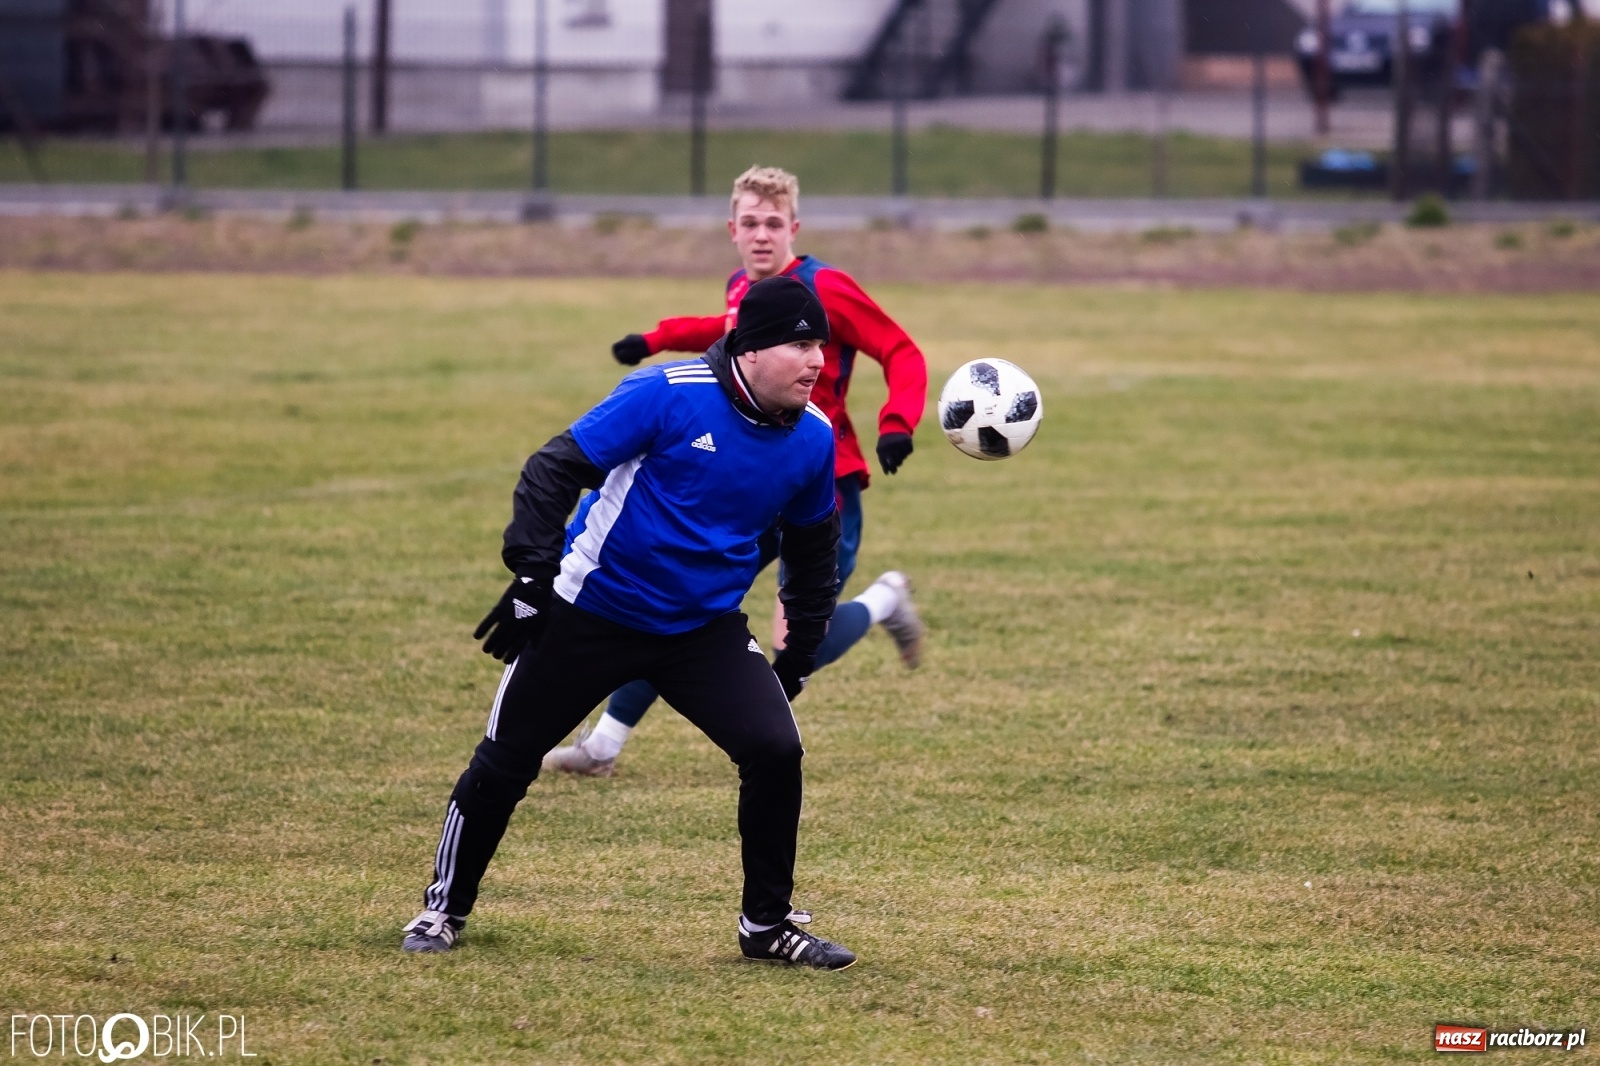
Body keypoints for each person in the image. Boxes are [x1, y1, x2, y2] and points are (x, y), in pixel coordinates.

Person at [401, 276, 857, 970]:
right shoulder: (667, 393)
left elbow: (812, 549)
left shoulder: (814, 438)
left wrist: (800, 649)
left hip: (702, 628)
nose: (817, 360)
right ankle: (442, 909)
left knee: (776, 750)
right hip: (593, 609)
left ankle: (765, 928)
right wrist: (531, 577)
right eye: (800, 344)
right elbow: (552, 468)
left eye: (820, 345)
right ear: (752, 349)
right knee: (504, 761)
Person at [542, 165, 929, 778]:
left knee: (794, 638)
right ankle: (602, 749)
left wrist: (897, 421)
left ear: (793, 228)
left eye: (773, 224)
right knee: (679, 602)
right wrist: (653, 338)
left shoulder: (825, 287)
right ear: (732, 229)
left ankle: (884, 601)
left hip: (823, 488)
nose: (761, 236)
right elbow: (720, 332)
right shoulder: (742, 291)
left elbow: (900, 349)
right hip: (749, 488)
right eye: (750, 223)